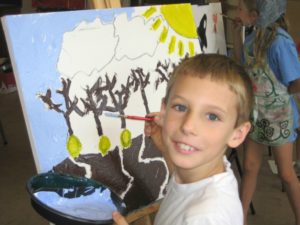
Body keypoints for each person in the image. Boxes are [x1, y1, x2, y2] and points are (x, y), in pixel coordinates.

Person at [112, 53, 254, 225]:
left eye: (212, 116)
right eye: (180, 107)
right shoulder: (204, 170)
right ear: (164, 111)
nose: (188, 126)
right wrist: (164, 147)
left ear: (237, 134)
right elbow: (181, 183)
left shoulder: (206, 218)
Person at [233, 0, 300, 224]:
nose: (237, 12)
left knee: (286, 174)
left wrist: (282, 94)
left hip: (279, 117)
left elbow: (297, 81)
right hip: (256, 115)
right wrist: (237, 32)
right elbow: (241, 67)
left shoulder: (281, 42)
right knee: (250, 167)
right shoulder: (251, 38)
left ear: (255, 15)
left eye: (240, 9)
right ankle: (239, 218)